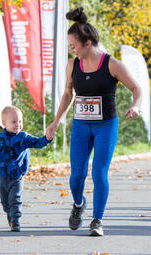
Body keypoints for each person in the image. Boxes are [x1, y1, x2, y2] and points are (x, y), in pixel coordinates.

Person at [46, 7, 142, 236]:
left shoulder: (112, 65)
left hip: (105, 125)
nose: (71, 50)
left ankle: (97, 220)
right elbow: (68, 93)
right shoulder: (73, 65)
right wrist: (56, 121)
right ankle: (79, 204)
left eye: (73, 46)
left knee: (99, 172)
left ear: (87, 43)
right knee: (76, 175)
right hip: (81, 125)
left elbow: (136, 88)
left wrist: (135, 106)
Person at [0, 106, 52, 232]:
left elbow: (37, 142)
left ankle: (15, 220)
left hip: (17, 174)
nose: (18, 124)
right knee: (5, 202)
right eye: (14, 122)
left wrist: (47, 138)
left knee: (15, 198)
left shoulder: (23, 137)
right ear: (4, 123)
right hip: (1, 175)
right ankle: (9, 214)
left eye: (20, 121)